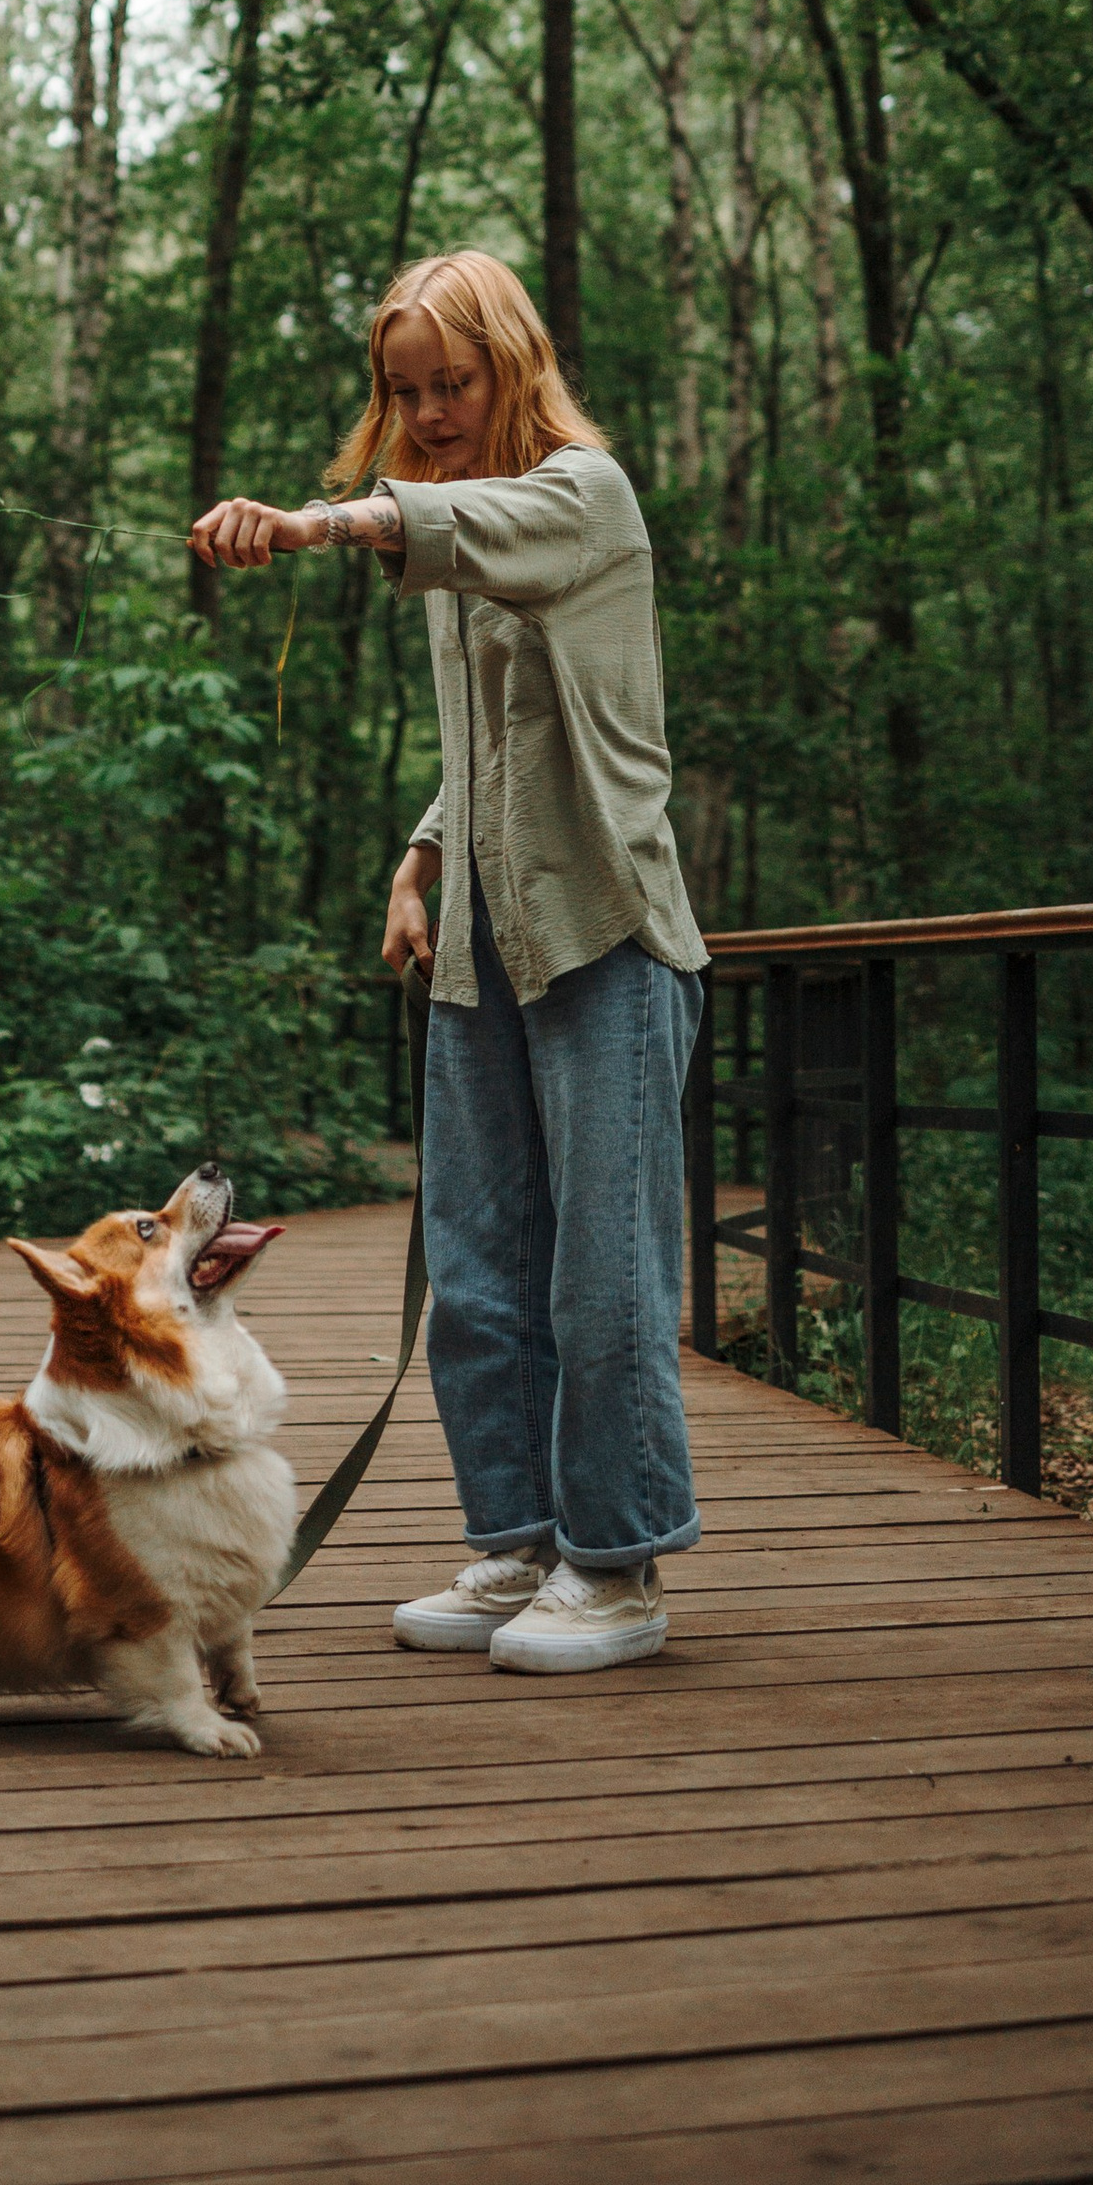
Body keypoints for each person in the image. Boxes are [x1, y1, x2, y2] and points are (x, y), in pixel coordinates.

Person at [188, 248, 708, 1674]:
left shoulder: (579, 501)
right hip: (483, 948)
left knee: (600, 1281)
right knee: (479, 1272)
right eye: (403, 391)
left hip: (605, 936)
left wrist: (308, 525)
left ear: (512, 369)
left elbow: (474, 527)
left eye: (452, 384)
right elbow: (493, 741)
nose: (425, 412)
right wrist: (422, 858)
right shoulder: (459, 542)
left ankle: (618, 1567)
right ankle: (519, 1543)